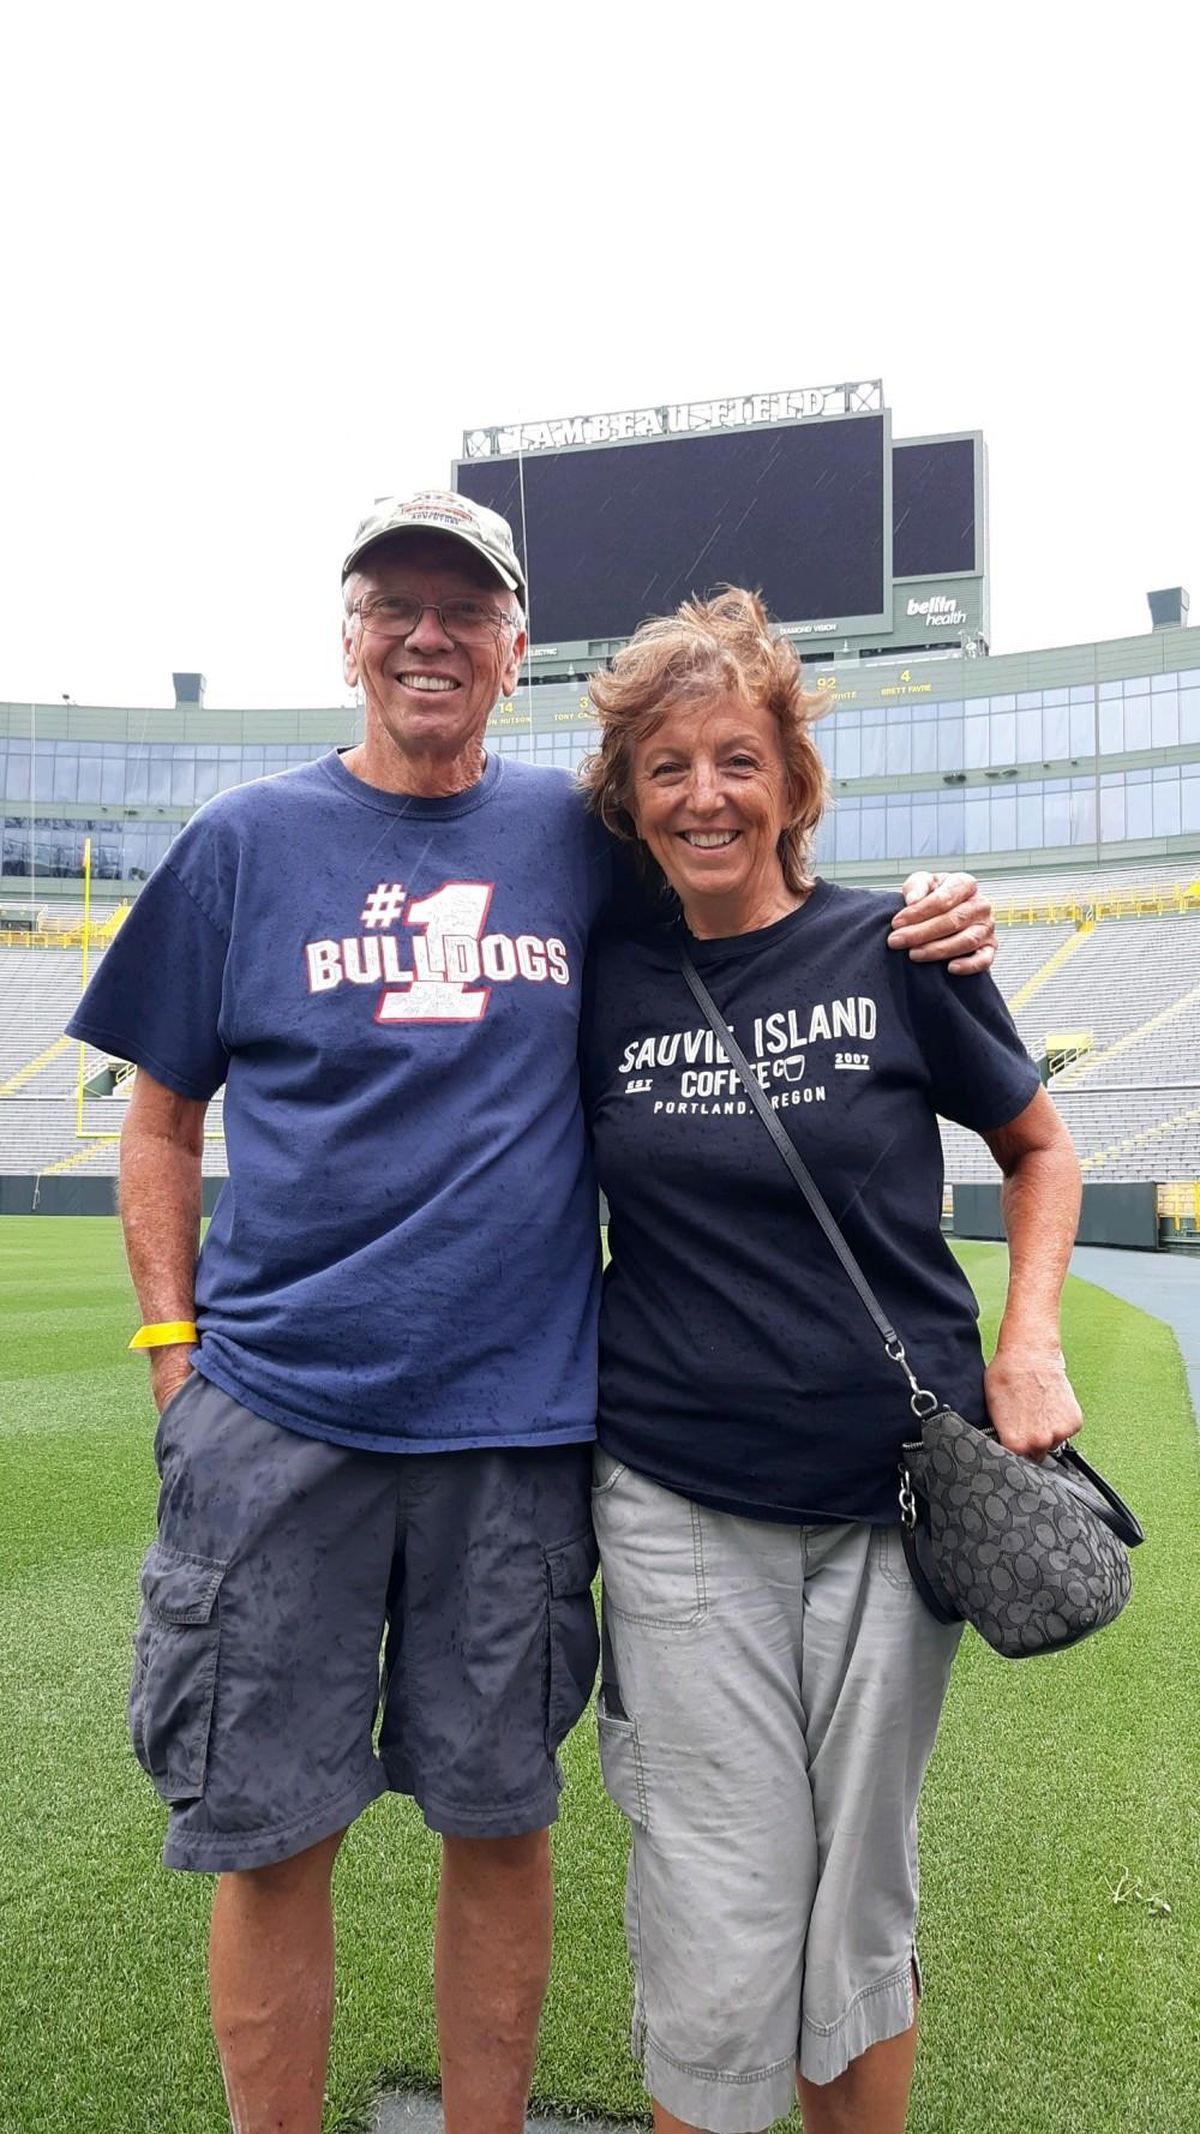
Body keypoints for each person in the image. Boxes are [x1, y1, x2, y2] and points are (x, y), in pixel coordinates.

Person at [66, 495, 998, 2134]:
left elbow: (754, 886)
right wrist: (174, 1358)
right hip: (279, 1417)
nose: (426, 633)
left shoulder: (577, 846)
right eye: (391, 600)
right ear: (347, 631)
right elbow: (158, 1116)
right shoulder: (242, 843)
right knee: (272, 1833)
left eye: (462, 606)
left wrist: (936, 913)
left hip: (518, 1433)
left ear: (513, 648)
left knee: (500, 1821)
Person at [579, 588, 1083, 2134]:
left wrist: (1031, 1337)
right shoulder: (608, 972)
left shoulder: (902, 942)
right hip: (675, 1502)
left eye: (738, 758)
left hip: (890, 1506)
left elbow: (1039, 1146)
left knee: (857, 1913)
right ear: (630, 801)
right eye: (668, 767)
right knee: (716, 1915)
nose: (706, 794)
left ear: (793, 780)